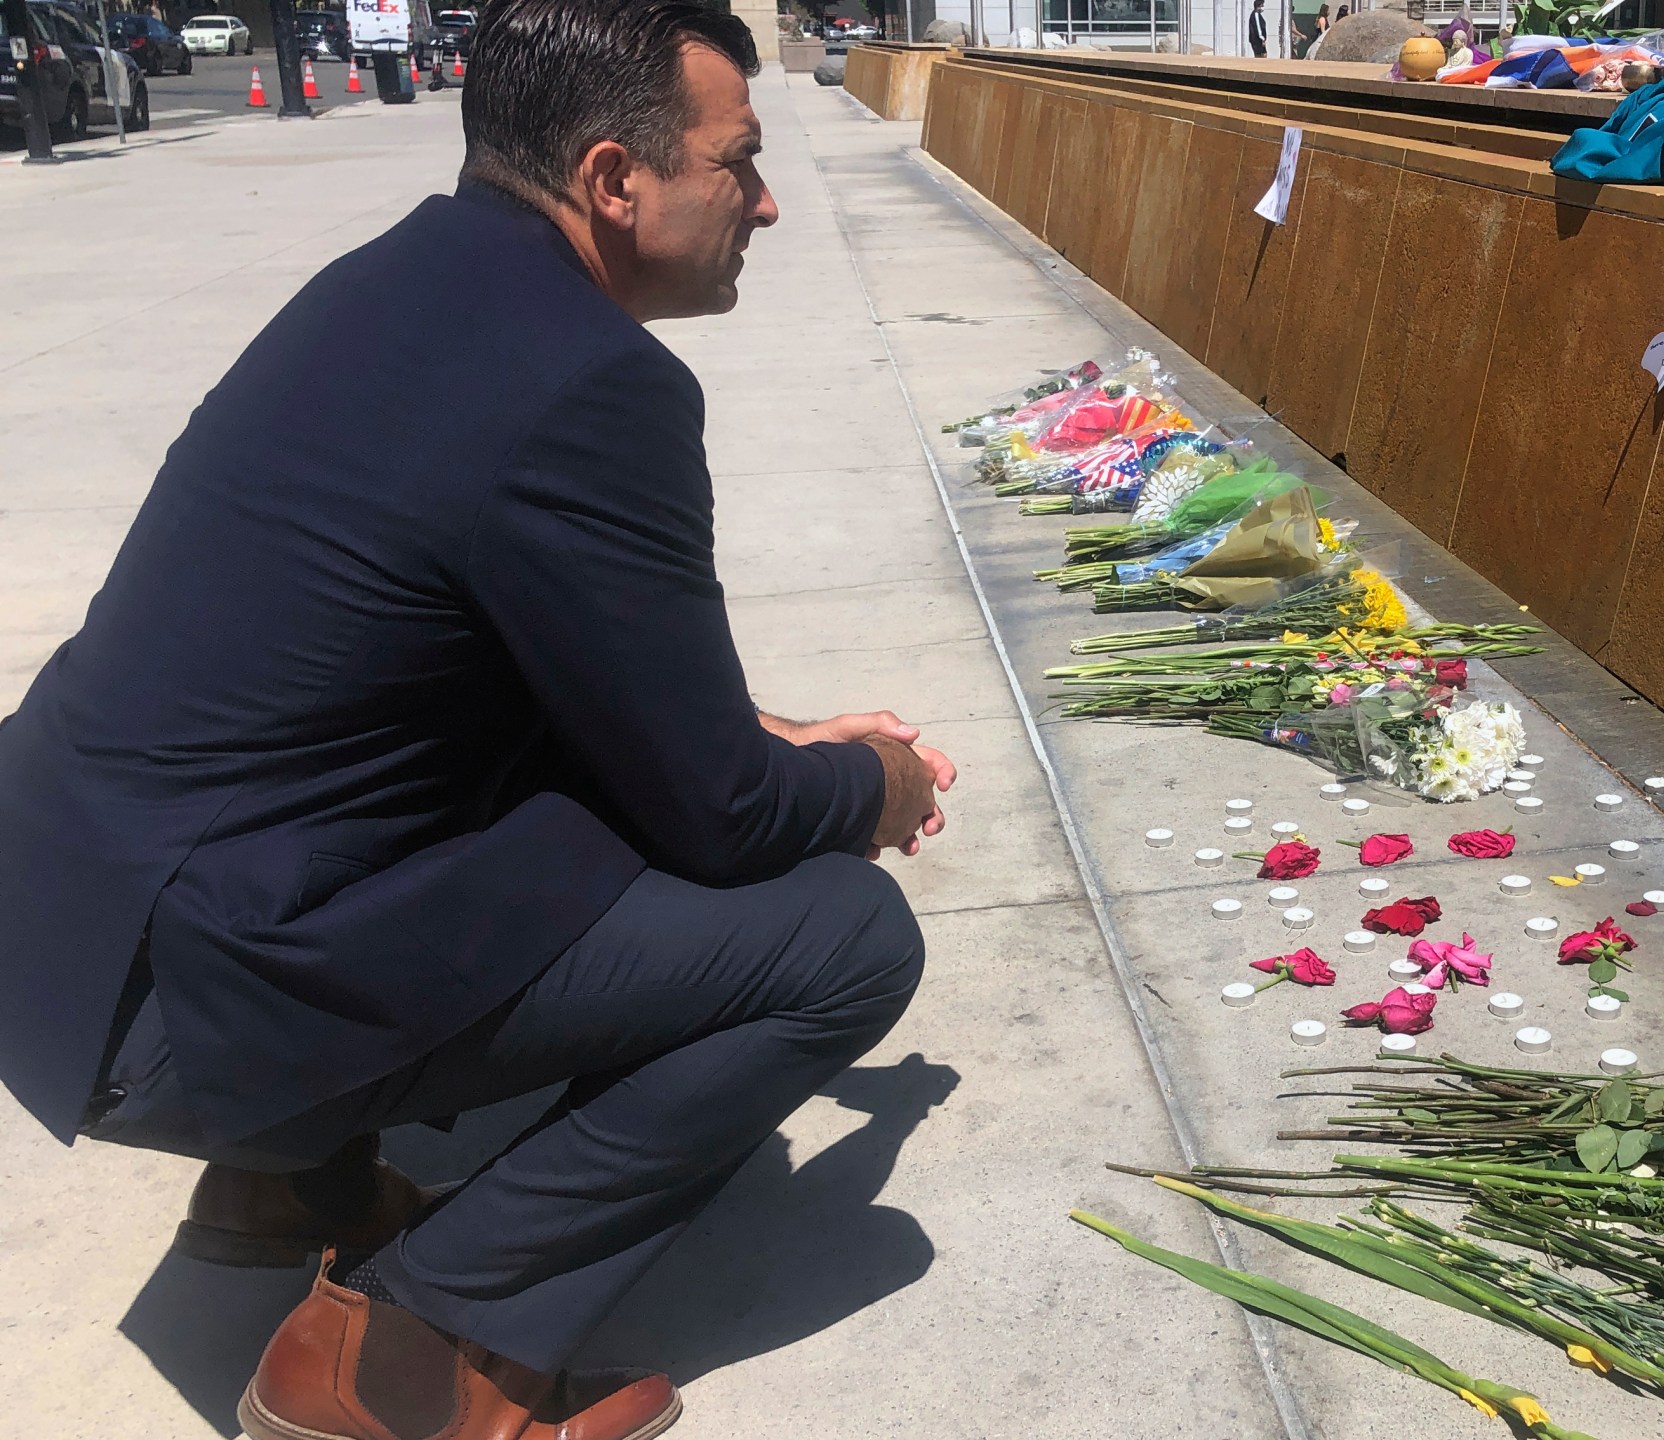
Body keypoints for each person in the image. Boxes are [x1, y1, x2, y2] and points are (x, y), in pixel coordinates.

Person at [0, 0, 954, 1435]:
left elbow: (541, 659)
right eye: (738, 161)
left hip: (64, 923)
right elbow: (725, 816)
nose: (764, 202)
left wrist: (783, 734)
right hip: (182, 997)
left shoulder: (402, 281)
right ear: (617, 179)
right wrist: (869, 785)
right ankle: (411, 1354)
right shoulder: (594, 384)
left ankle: (290, 1181)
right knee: (839, 940)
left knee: (527, 809)